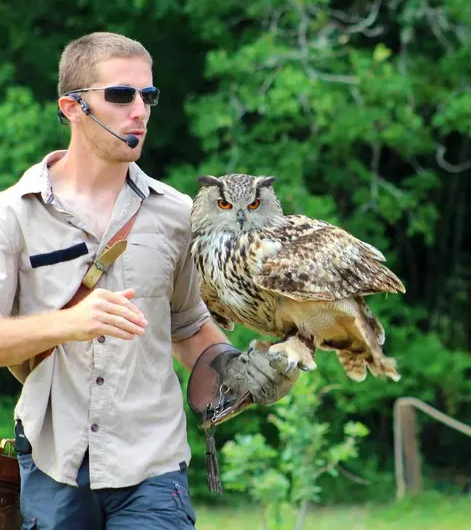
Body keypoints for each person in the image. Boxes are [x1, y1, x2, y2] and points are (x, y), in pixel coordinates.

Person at [0, 31, 298, 529]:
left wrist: (244, 374)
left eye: (148, 96)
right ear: (71, 107)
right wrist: (69, 324)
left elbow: (188, 330)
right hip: (53, 462)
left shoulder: (180, 216)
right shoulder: (13, 214)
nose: (139, 110)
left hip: (153, 467)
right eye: (121, 95)